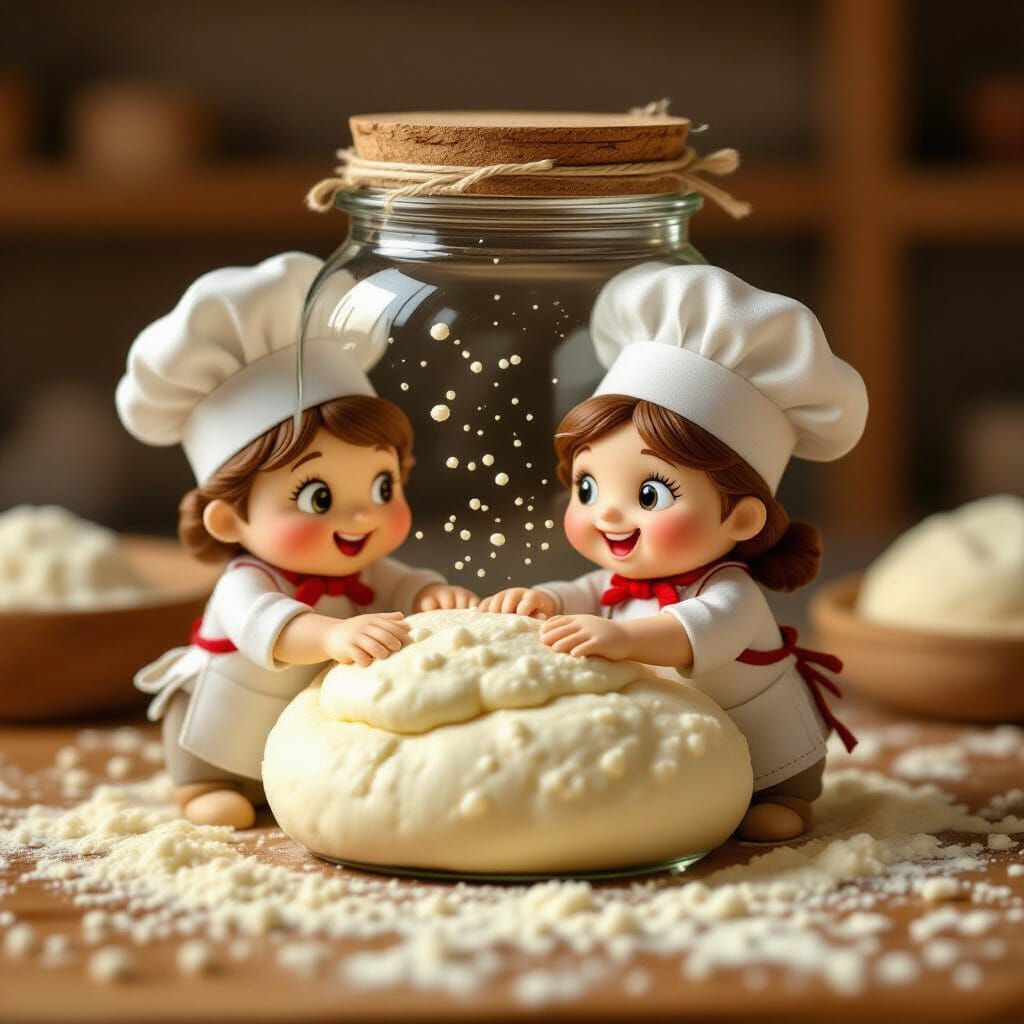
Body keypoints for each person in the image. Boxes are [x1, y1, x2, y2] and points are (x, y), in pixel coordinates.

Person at [480, 263, 867, 842]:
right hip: (679, 742)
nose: (608, 513)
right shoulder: (617, 579)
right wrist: (541, 599)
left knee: (766, 791)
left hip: (762, 747)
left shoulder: (730, 594)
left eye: (649, 494)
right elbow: (583, 593)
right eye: (587, 488)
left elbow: (693, 629)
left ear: (740, 517)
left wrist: (627, 640)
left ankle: (789, 799)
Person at [117, 252, 475, 829]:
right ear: (229, 521)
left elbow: (399, 581)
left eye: (384, 484)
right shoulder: (244, 583)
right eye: (318, 498)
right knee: (217, 767)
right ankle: (200, 785)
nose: (363, 515)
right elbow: (270, 624)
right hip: (226, 728)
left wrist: (429, 593)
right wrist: (333, 634)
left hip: (303, 737)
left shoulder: (361, 571)